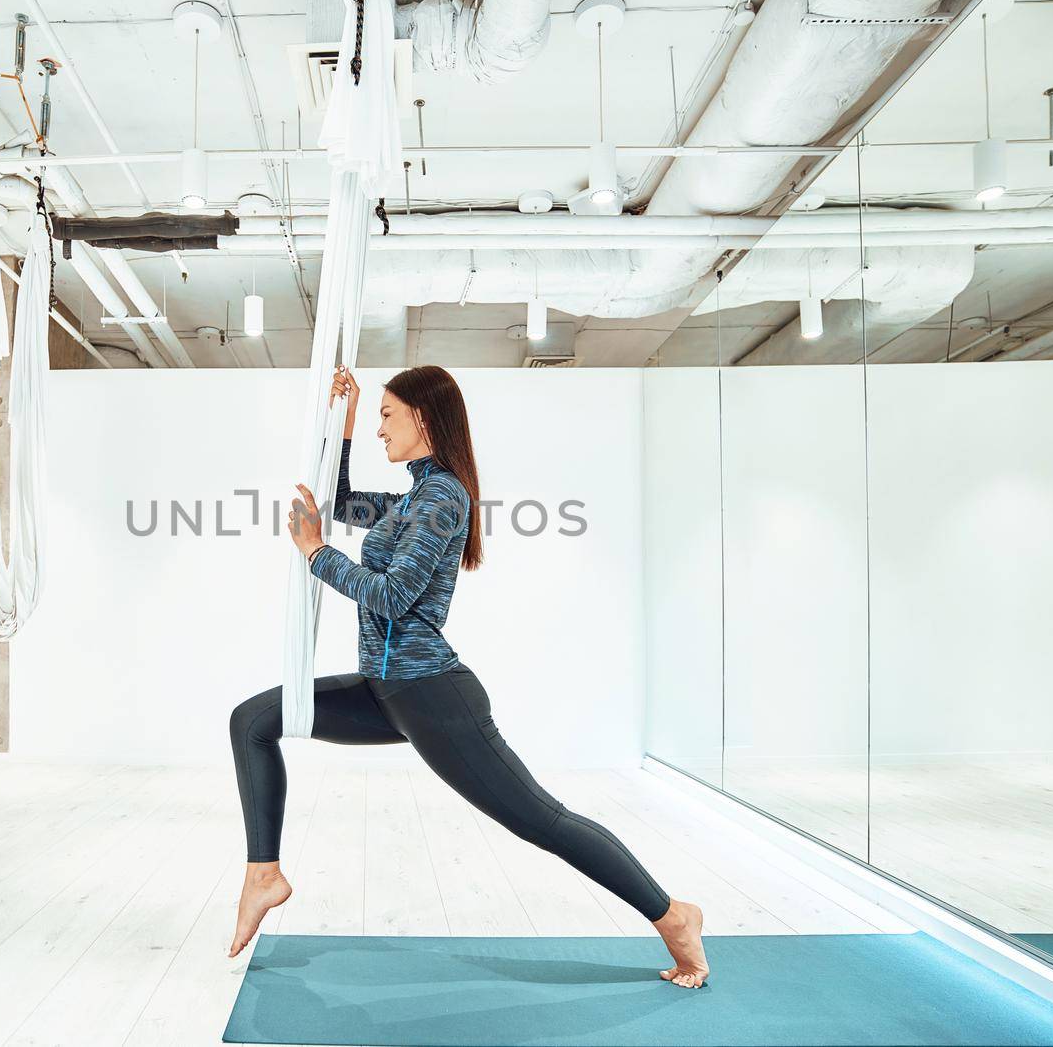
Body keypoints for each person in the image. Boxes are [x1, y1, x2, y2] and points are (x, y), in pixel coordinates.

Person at [227, 364, 710, 988]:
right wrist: (341, 431)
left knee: (544, 822)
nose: (380, 429)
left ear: (422, 420)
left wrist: (317, 553)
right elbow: (345, 503)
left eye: (385, 416)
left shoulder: (444, 497)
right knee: (253, 722)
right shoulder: (412, 497)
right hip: (384, 691)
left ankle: (674, 915)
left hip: (432, 697)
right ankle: (264, 874)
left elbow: (395, 595)